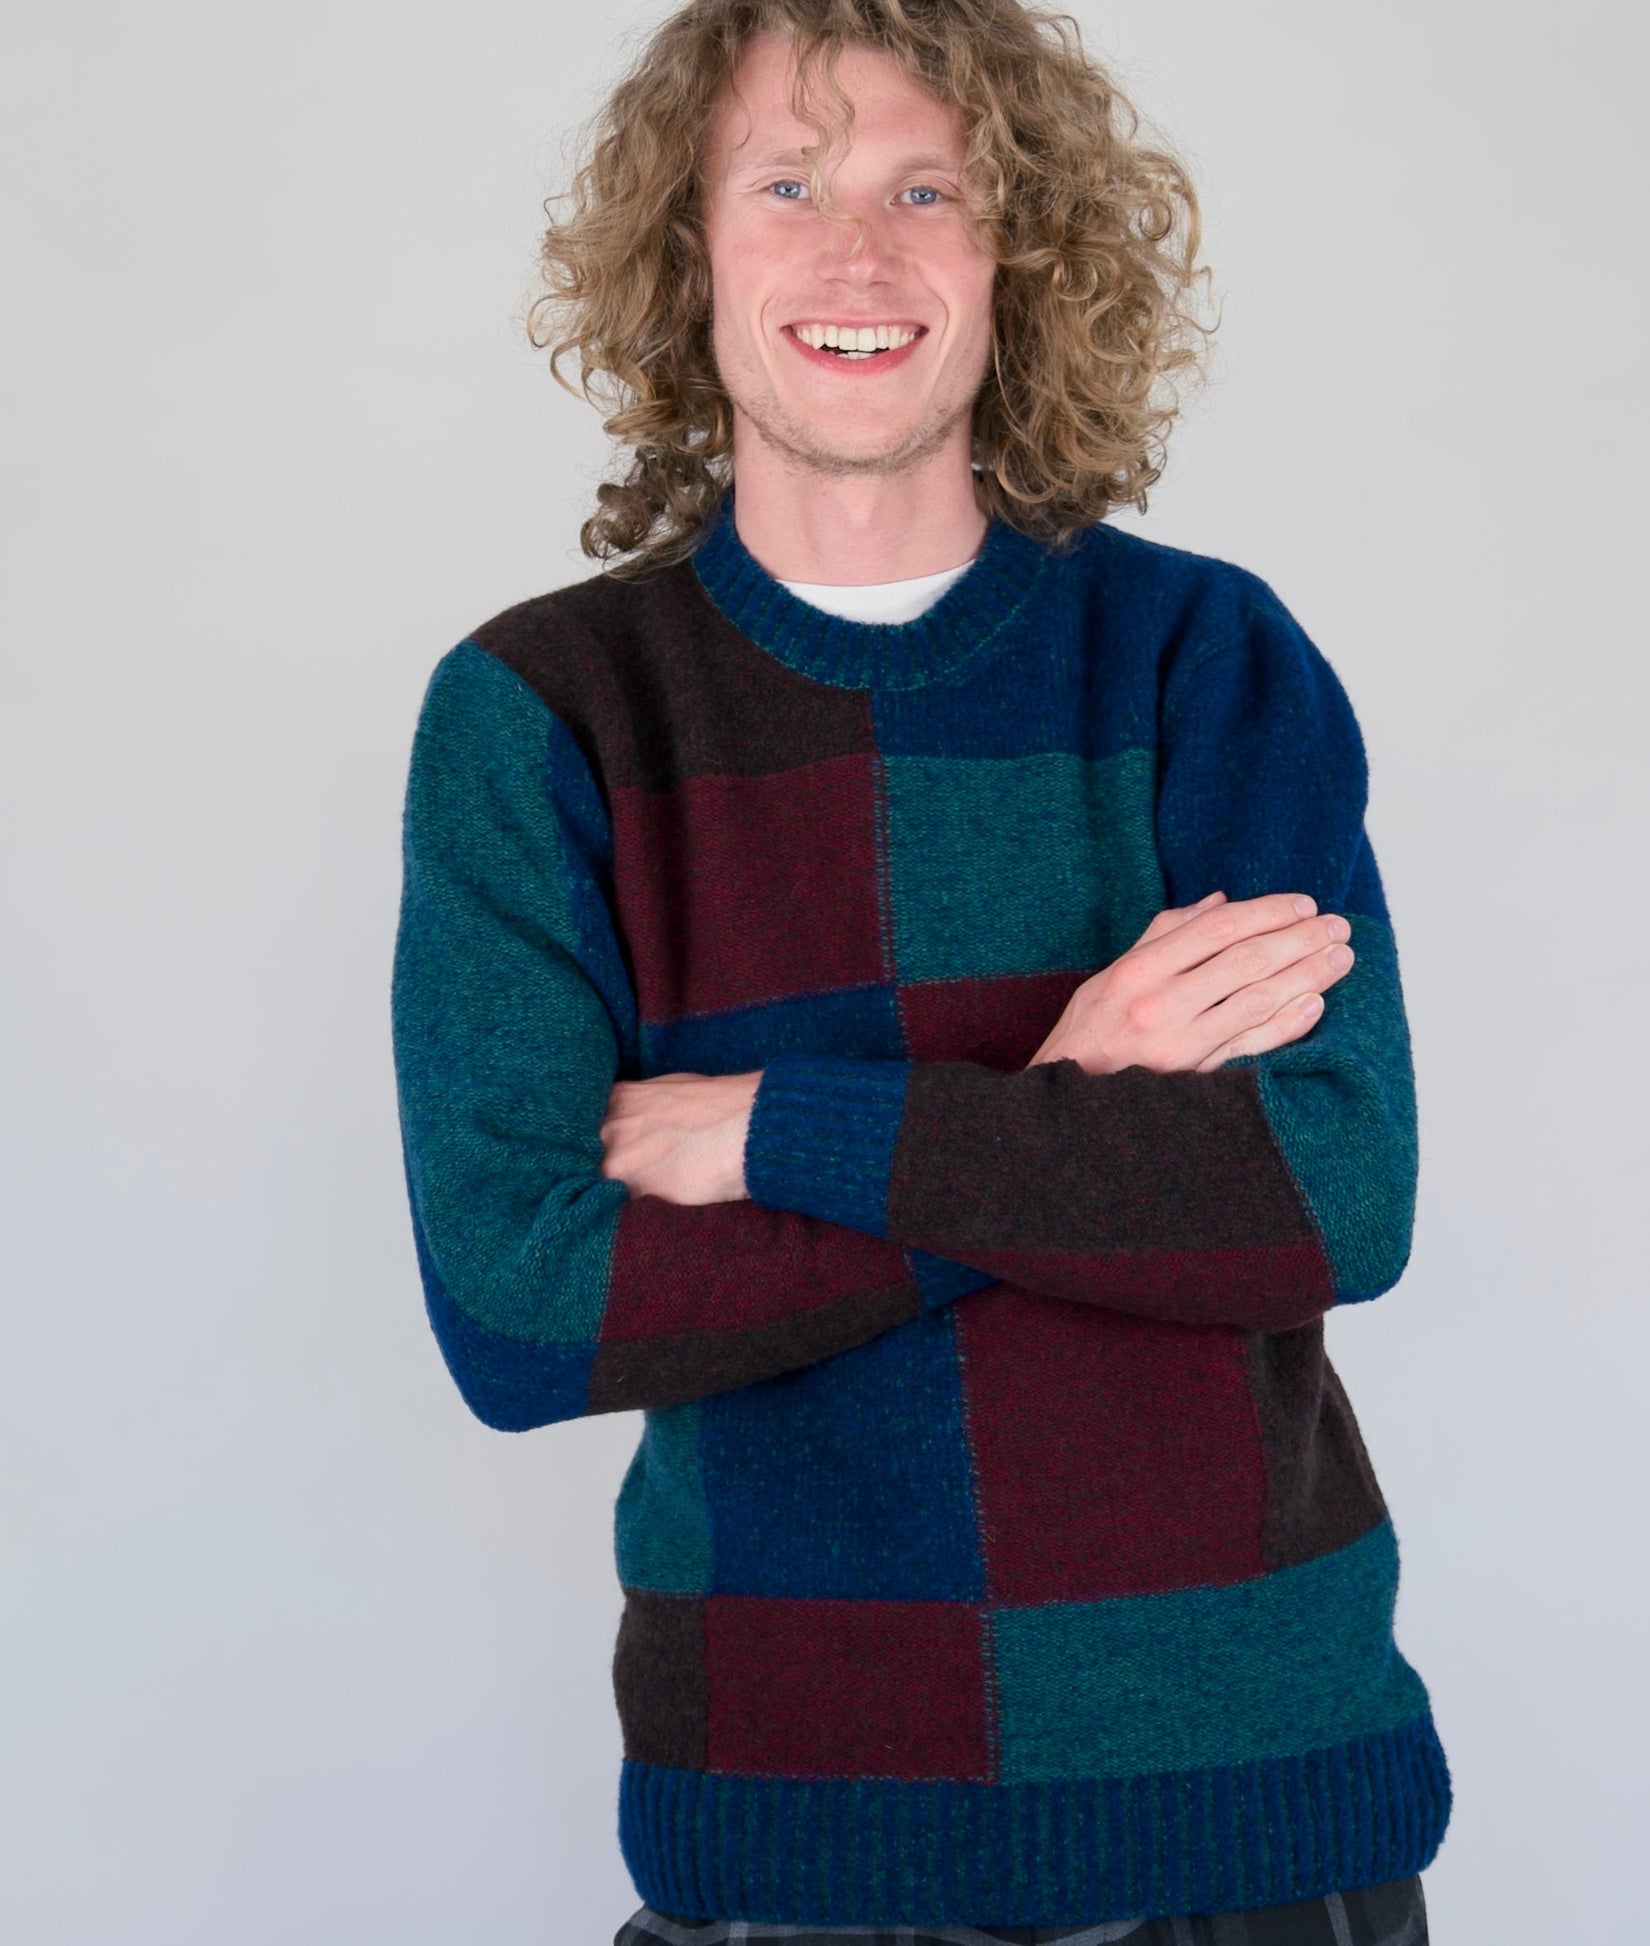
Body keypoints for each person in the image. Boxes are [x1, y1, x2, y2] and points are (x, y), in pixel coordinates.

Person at [388, 3, 1451, 1942]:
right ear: (686, 248)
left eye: (926, 191)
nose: (857, 253)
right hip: (790, 1805)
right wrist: (1071, 1099)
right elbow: (524, 1313)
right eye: (786, 186)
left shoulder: (1201, 659)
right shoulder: (543, 711)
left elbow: (1330, 1193)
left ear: (1017, 252)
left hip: (1248, 1785)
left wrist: (776, 1131)